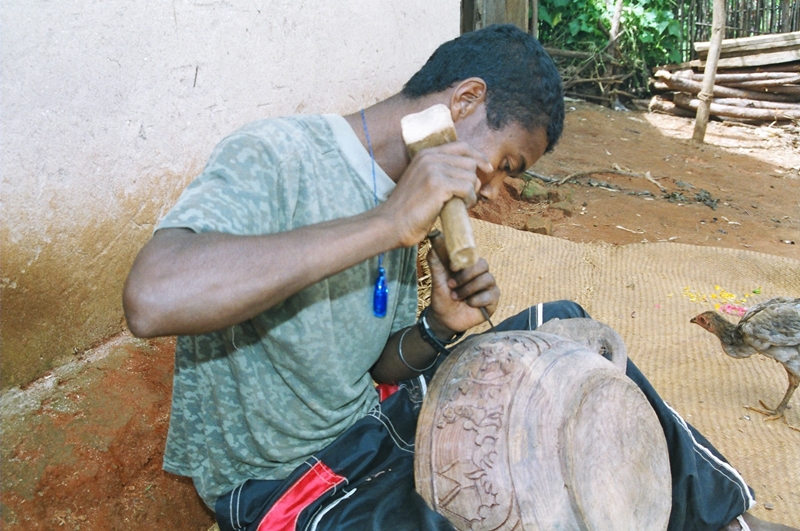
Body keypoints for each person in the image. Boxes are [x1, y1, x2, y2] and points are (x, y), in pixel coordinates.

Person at [123, 24, 796, 531]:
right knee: (506, 507)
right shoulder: (279, 154)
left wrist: (436, 324)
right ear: (467, 99)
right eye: (506, 162)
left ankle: (722, 516)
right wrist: (386, 223)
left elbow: (378, 365)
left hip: (375, 425)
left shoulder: (406, 195)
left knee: (570, 334)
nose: (493, 192)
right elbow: (152, 297)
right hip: (294, 481)